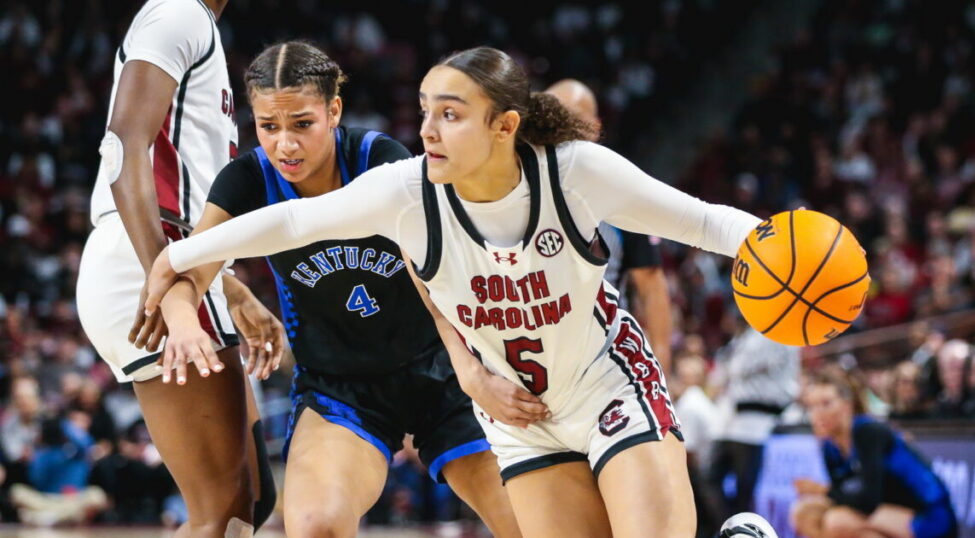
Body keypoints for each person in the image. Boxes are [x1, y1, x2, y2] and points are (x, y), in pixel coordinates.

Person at [145, 46, 764, 537]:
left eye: (450, 114)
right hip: (397, 393)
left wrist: (780, 242)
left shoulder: (563, 170)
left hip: (498, 377)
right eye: (426, 113)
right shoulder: (398, 185)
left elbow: (707, 223)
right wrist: (181, 266)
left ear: (504, 126)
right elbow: (288, 225)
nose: (428, 132)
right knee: (315, 524)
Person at [147, 41, 520, 537]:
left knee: (529, 524)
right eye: (269, 127)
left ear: (334, 111)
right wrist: (181, 322)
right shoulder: (247, 180)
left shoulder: (379, 160)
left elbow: (433, 284)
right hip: (340, 388)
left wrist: (473, 373)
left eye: (302, 124)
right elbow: (184, 272)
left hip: (439, 371)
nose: (285, 145)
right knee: (316, 526)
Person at [74, 0, 278, 535]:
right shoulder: (178, 12)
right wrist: (166, 288)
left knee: (250, 501)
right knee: (221, 511)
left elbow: (180, 181)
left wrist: (229, 286)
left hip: (175, 261)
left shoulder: (194, 22)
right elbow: (123, 148)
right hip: (149, 262)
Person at [545, 79, 673, 364]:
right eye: (550, 119)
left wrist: (661, 364)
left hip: (606, 357)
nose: (558, 129)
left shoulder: (621, 192)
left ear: (594, 127)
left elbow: (650, 285)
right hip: (540, 358)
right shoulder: (518, 190)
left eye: (570, 119)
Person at [791, 367, 956, 538]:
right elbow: (842, 496)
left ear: (847, 405)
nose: (817, 414)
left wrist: (822, 490)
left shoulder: (868, 432)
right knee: (805, 513)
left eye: (826, 404)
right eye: (811, 407)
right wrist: (825, 493)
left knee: (839, 521)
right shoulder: (830, 447)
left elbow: (867, 502)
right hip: (887, 514)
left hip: (930, 517)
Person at [706, 323, 800, 522]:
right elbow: (722, 375)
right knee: (709, 479)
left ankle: (740, 530)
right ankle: (729, 527)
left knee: (745, 490)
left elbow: (738, 368)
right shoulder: (745, 336)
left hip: (759, 422)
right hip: (730, 420)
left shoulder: (781, 331)